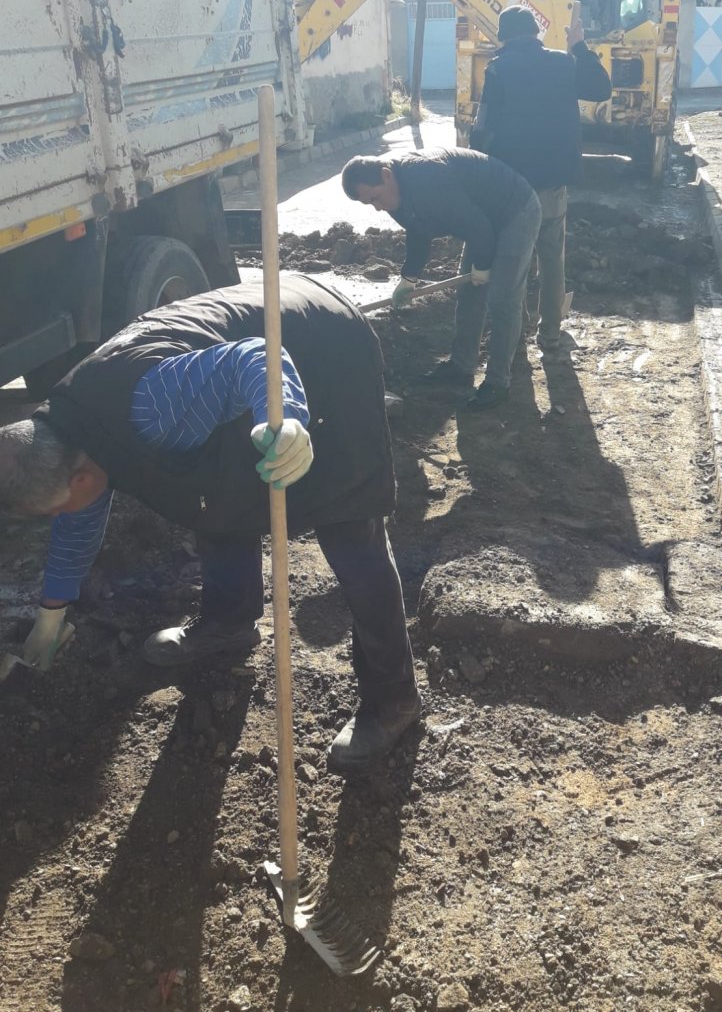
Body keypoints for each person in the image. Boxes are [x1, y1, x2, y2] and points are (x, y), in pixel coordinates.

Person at [0, 274, 419, 771]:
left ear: (81, 478)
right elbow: (77, 521)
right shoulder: (65, 431)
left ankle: (394, 700)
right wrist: (51, 613)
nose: (60, 519)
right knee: (211, 489)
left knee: (350, 529)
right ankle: (229, 622)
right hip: (239, 366)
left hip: (322, 345)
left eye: (55, 510)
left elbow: (257, 357)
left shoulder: (151, 405)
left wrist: (287, 419)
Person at [342, 148, 542, 411]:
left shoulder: (427, 176)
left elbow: (477, 226)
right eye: (370, 203)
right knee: (469, 293)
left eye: (375, 198)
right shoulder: (394, 194)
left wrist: (483, 267)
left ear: (386, 175)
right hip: (480, 218)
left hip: (514, 210)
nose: (377, 207)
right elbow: (418, 231)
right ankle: (462, 366)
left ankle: (498, 382)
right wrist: (409, 277)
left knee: (503, 299)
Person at [469, 5, 611, 354]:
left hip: (512, 187)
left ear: (503, 36)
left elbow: (483, 128)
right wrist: (579, 46)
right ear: (536, 32)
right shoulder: (563, 63)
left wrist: (478, 171)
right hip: (553, 182)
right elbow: (601, 88)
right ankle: (550, 333)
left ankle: (516, 335)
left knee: (515, 262)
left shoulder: (498, 69)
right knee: (551, 259)